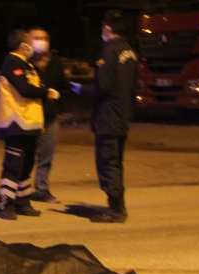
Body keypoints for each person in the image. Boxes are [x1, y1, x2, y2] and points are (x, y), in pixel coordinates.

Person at [70, 10, 138, 223]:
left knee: (108, 162)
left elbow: (103, 87)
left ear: (107, 28)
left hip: (108, 117)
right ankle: (118, 204)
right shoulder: (130, 52)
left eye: (102, 27)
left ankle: (116, 209)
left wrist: (81, 89)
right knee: (116, 161)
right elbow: (133, 86)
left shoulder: (109, 52)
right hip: (122, 116)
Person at [0, 29, 60, 220]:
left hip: (30, 124)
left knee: (26, 165)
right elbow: (24, 89)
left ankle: (22, 202)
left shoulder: (26, 64)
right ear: (23, 46)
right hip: (16, 124)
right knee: (13, 166)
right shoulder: (13, 62)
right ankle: (5, 203)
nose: (33, 46)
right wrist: (46, 93)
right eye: (30, 43)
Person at [28, 27, 71, 204]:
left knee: (46, 156)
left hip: (51, 116)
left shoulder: (56, 61)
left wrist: (60, 109)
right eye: (36, 38)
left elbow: (64, 87)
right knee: (26, 155)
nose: (41, 41)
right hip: (29, 116)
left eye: (44, 38)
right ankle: (18, 191)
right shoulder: (23, 61)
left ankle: (42, 189)